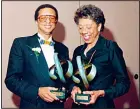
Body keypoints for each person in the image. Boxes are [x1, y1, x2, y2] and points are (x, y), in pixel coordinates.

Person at [5, 4, 69, 108]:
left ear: (56, 22)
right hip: (33, 105)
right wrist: (37, 91)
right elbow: (11, 79)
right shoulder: (21, 44)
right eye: (43, 18)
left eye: (51, 18)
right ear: (36, 21)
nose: (48, 21)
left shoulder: (63, 49)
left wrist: (67, 91)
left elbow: (64, 79)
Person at [70, 4, 130, 108]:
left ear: (99, 26)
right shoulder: (78, 51)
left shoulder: (110, 48)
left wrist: (101, 93)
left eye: (88, 27)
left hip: (102, 105)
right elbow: (71, 79)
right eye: (80, 27)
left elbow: (124, 83)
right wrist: (73, 88)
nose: (84, 31)